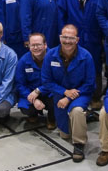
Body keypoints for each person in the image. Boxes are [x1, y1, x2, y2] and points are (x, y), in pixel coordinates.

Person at [40, 24, 95, 162]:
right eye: (65, 37)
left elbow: (90, 84)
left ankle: (79, 144)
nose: (67, 41)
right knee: (65, 134)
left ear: (77, 40)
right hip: (60, 94)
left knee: (76, 111)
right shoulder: (50, 56)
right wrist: (64, 92)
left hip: (81, 93)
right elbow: (46, 81)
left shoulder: (86, 56)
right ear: (60, 38)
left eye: (71, 38)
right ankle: (84, 117)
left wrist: (69, 97)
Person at [58, 0, 103, 106]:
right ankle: (75, 95)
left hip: (93, 37)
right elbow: (61, 16)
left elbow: (103, 14)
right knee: (74, 67)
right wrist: (65, 36)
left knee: (95, 68)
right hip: (72, 38)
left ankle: (95, 97)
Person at [15, 33, 54, 126]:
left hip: (50, 92)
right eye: (33, 45)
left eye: (39, 45)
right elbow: (20, 84)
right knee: (25, 107)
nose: (36, 48)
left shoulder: (54, 58)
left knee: (58, 101)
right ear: (29, 46)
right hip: (30, 93)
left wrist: (39, 90)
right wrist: (34, 99)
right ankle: (33, 114)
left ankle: (52, 118)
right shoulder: (23, 61)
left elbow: (57, 80)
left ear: (45, 45)